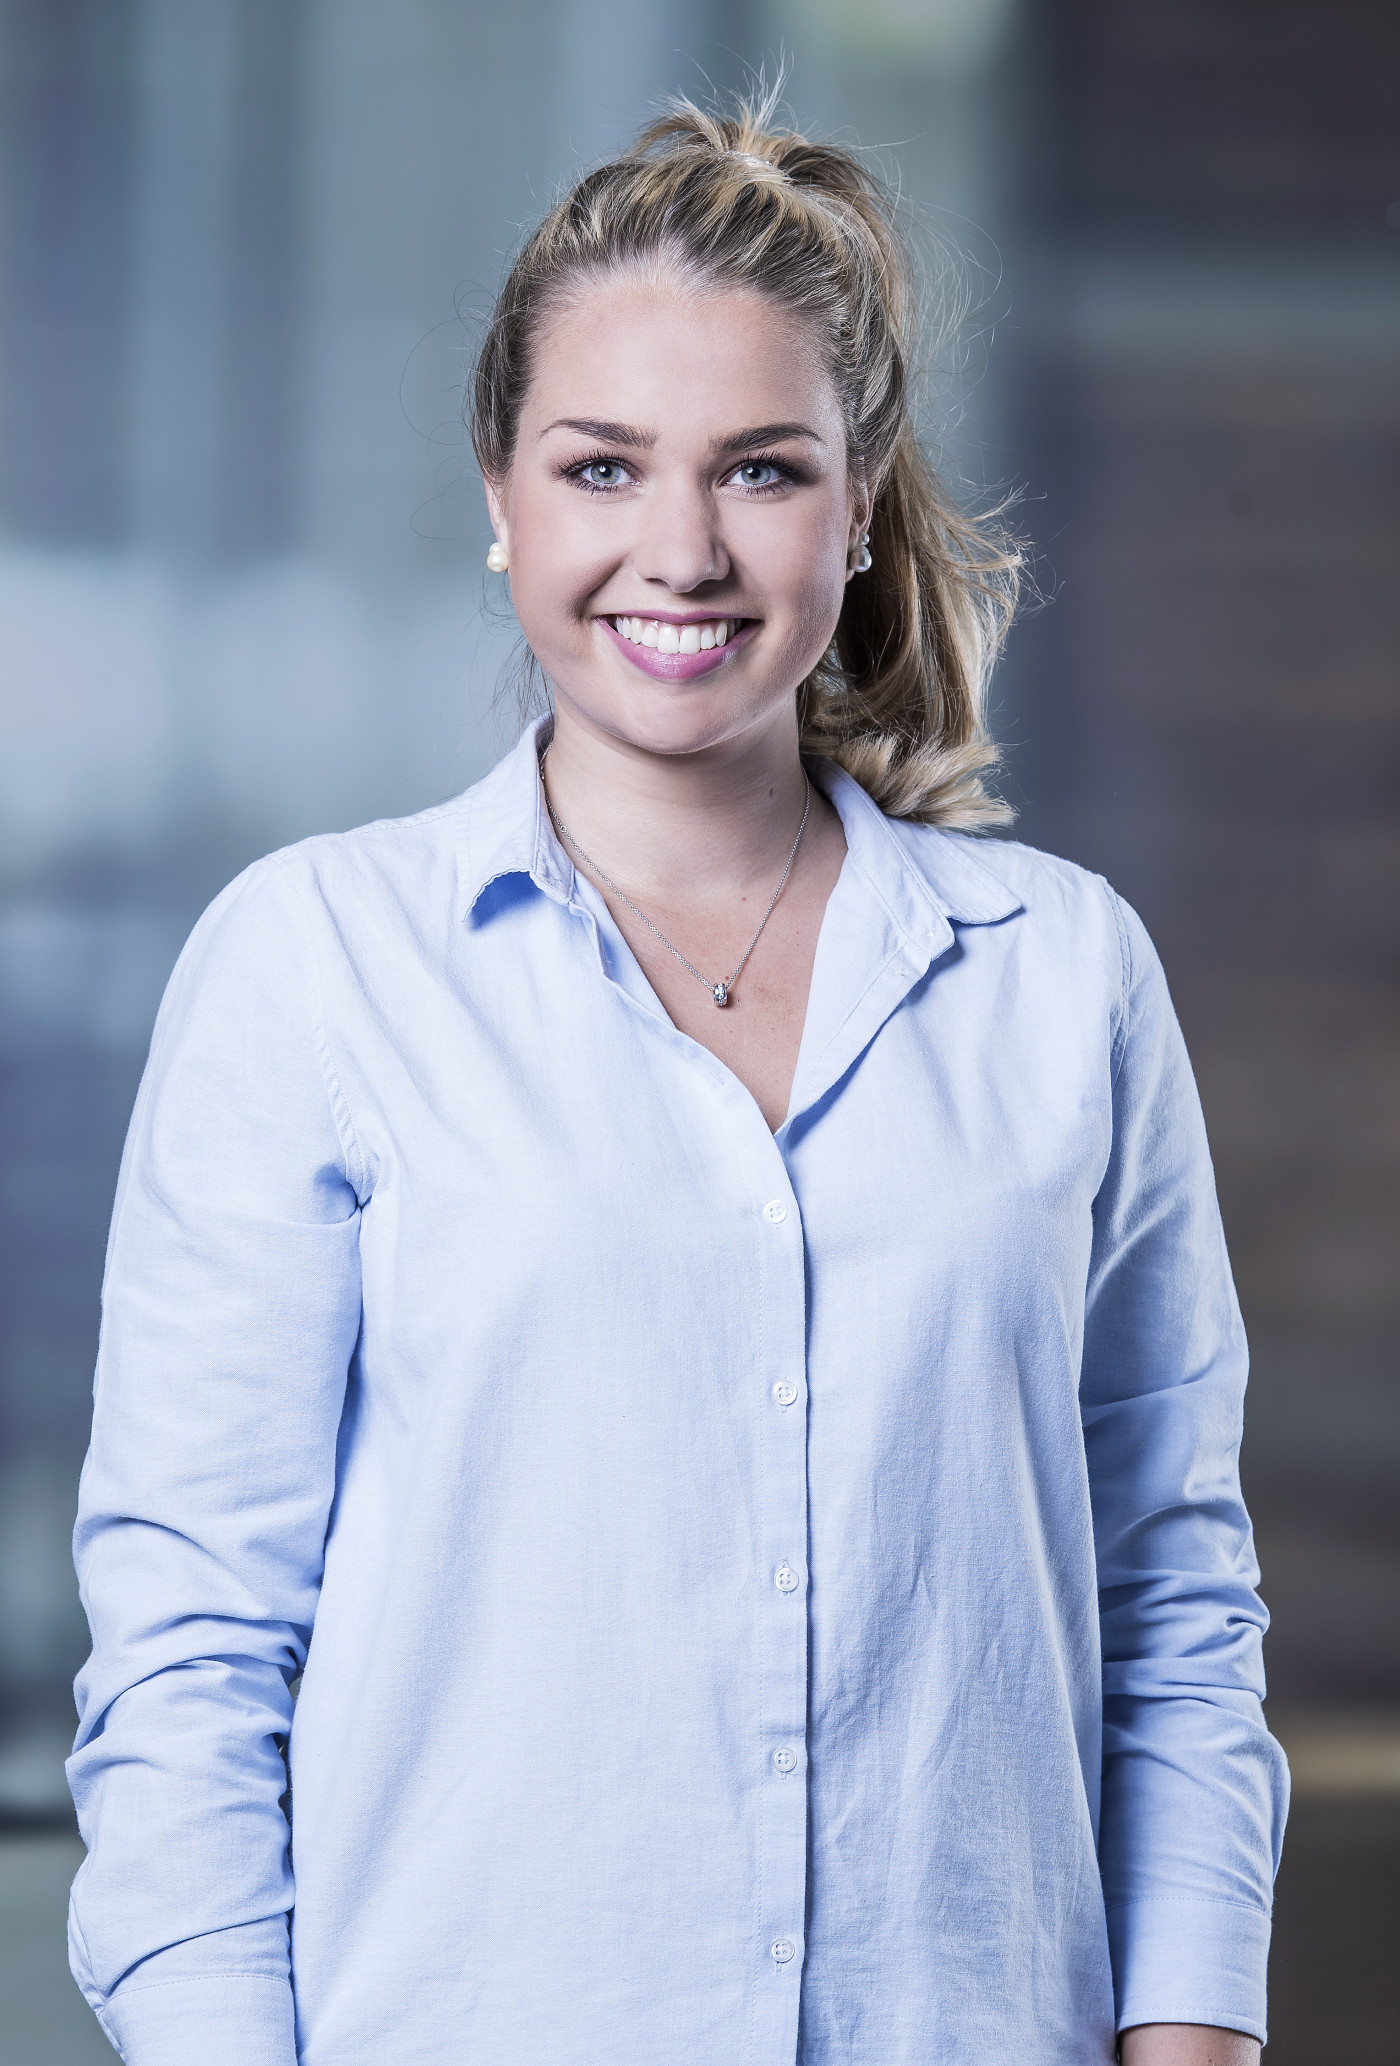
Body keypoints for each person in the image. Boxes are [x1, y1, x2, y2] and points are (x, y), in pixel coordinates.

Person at [67, 94, 1287, 2066]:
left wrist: (1189, 2033)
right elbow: (193, 1660)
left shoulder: (1062, 984)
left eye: (761, 469)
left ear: (862, 498)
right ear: (502, 494)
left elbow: (1172, 1602)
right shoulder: (316, 970)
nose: (681, 548)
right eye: (603, 465)